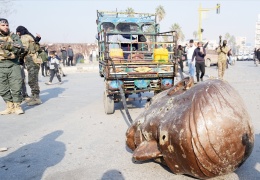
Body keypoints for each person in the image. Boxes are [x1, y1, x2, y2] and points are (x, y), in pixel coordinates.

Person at [0, 18, 24, 115]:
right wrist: (12, 47)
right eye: (3, 25)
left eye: (7, 25)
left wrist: (5, 45)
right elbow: (15, 47)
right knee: (2, 88)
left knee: (16, 86)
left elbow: (20, 49)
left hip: (13, 64)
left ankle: (17, 106)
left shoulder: (14, 36)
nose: (6, 27)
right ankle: (9, 106)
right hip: (1, 65)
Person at [16, 25, 42, 106]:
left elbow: (24, 49)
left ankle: (36, 98)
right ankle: (34, 96)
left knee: (32, 80)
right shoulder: (30, 36)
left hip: (31, 60)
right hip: (34, 60)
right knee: (33, 79)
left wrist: (19, 58)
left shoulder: (24, 37)